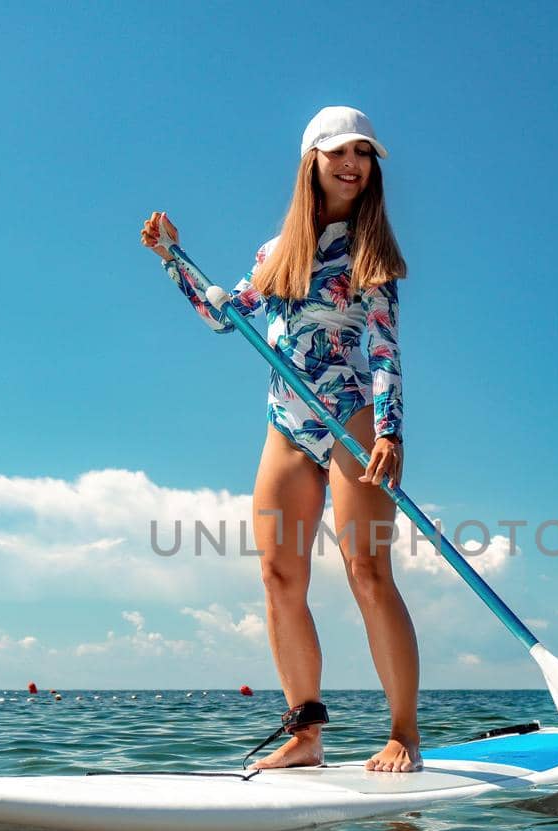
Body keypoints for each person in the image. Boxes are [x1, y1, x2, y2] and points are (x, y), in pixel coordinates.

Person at [140, 106, 421, 772]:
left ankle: (403, 733)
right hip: (287, 422)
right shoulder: (275, 255)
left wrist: (390, 431)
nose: (351, 164)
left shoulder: (368, 252)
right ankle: (307, 733)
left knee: (367, 572)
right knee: (278, 574)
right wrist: (170, 257)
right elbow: (220, 316)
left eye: (362, 154)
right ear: (312, 162)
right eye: (337, 153)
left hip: (353, 416)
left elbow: (384, 348)